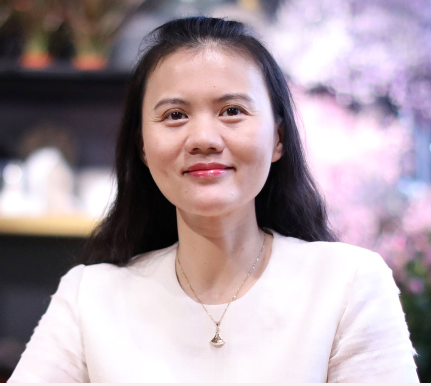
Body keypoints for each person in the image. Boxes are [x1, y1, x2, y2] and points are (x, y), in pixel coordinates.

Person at [8, 17, 418, 383]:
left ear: (277, 137)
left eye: (232, 110)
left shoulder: (348, 283)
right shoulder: (89, 297)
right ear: (143, 147)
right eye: (175, 115)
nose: (204, 139)